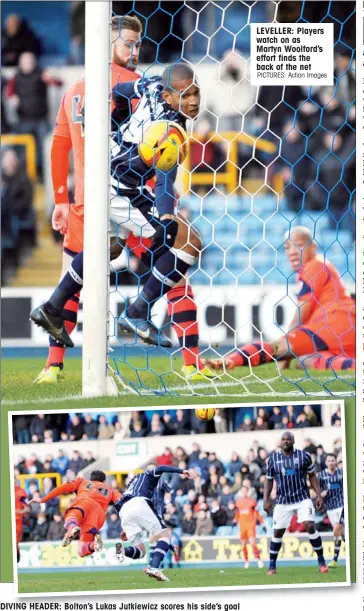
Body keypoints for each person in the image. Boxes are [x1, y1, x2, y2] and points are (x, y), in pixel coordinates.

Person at [31, 16, 212, 385]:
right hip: (133, 190)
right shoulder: (137, 82)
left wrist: (62, 199)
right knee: (176, 264)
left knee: (81, 270)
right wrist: (166, 205)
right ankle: (188, 358)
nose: (135, 51)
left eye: (137, 44)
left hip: (91, 194)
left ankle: (53, 366)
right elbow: (159, 153)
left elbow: (59, 145)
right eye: (127, 44)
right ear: (106, 42)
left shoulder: (75, 90)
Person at [205, 226, 355, 373]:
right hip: (346, 329)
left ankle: (231, 360)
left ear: (313, 247)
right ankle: (352, 364)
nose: (292, 252)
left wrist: (284, 354)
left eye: (299, 245)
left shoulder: (315, 266)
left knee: (278, 346)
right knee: (306, 361)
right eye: (287, 247)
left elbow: (298, 319)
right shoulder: (319, 265)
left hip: (336, 321)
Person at [114, 464, 195, 582]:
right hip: (139, 503)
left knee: (141, 551)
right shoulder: (148, 475)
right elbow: (161, 468)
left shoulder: (132, 483)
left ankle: (122, 551)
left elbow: (121, 504)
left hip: (124, 510)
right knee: (165, 536)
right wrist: (183, 471)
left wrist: (126, 527)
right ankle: (154, 567)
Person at [264, 432, 328, 575]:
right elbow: (268, 479)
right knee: (277, 532)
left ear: (293, 441)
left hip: (302, 498)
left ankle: (321, 561)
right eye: (283, 439)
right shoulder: (273, 459)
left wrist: (318, 495)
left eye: (288, 439)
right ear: (280, 442)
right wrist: (265, 499)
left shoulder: (304, 456)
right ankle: (272, 565)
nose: (285, 441)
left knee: (310, 525)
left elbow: (312, 476)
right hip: (283, 500)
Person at [29, 470, 121, 558]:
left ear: (90, 479)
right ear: (104, 481)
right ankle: (93, 545)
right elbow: (124, 503)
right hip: (98, 515)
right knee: (81, 550)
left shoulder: (82, 481)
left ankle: (72, 527)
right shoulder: (111, 490)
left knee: (72, 516)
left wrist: (43, 499)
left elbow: (63, 488)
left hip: (83, 503)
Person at [318, 454, 345, 568]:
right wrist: (321, 494)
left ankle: (334, 559)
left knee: (337, 530)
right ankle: (337, 559)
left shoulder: (341, 473)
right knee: (341, 534)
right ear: (326, 463)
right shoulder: (322, 475)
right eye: (329, 461)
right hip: (330, 508)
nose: (331, 463)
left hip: (341, 505)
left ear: (335, 461)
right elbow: (317, 490)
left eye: (333, 460)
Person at [235, 486, 264, 569]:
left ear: (247, 492)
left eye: (245, 491)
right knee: (243, 545)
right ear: (240, 492)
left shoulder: (252, 502)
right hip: (242, 526)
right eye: (242, 491)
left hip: (250, 525)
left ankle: (259, 560)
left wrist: (262, 522)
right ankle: (246, 561)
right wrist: (235, 521)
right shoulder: (238, 502)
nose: (244, 492)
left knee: (252, 543)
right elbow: (237, 513)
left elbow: (256, 513)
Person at [14, 483, 29, 562]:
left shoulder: (20, 492)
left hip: (16, 522)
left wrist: (18, 512)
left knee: (14, 542)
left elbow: (27, 508)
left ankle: (16, 557)